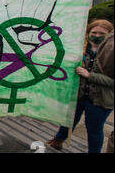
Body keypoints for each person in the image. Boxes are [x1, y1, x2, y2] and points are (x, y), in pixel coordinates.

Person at [47, 20, 114, 153]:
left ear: (109, 35)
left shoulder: (111, 53)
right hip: (78, 95)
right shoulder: (80, 49)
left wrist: (89, 75)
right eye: (94, 32)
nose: (97, 35)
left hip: (100, 100)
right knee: (69, 120)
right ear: (88, 33)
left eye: (102, 33)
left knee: (94, 129)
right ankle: (58, 140)